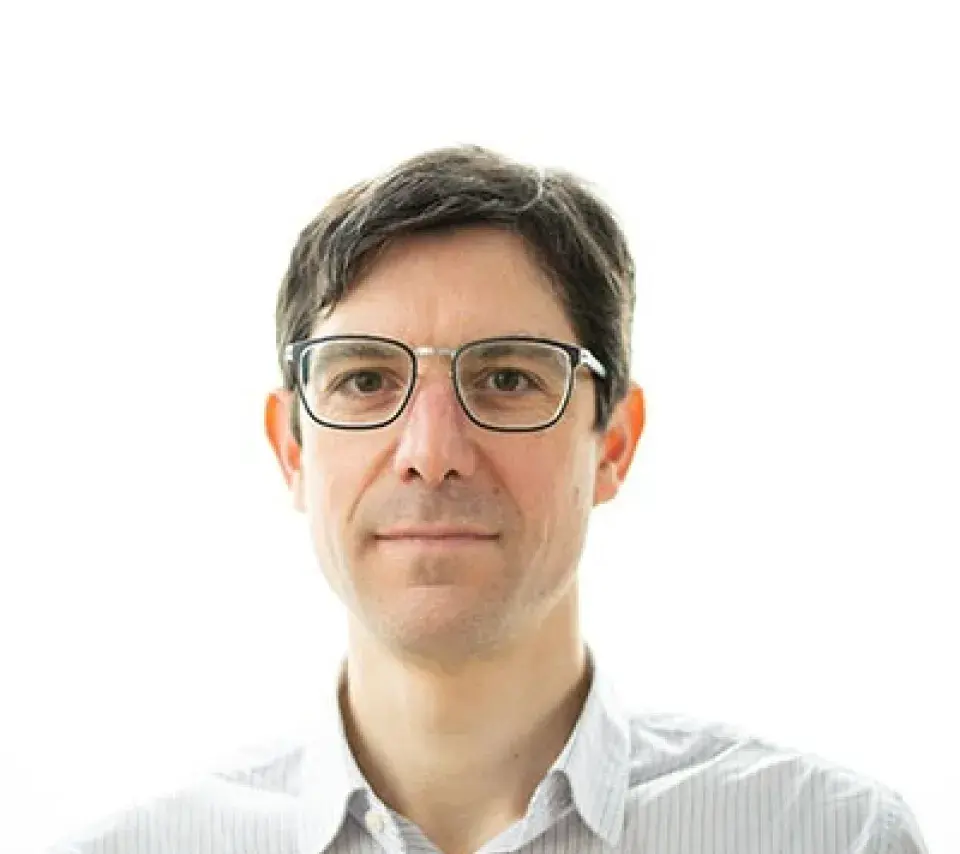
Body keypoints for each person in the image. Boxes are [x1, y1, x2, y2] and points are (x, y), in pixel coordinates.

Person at [48, 145, 929, 854]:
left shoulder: (832, 838)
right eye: (365, 380)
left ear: (613, 444)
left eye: (507, 378)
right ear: (292, 449)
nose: (431, 455)